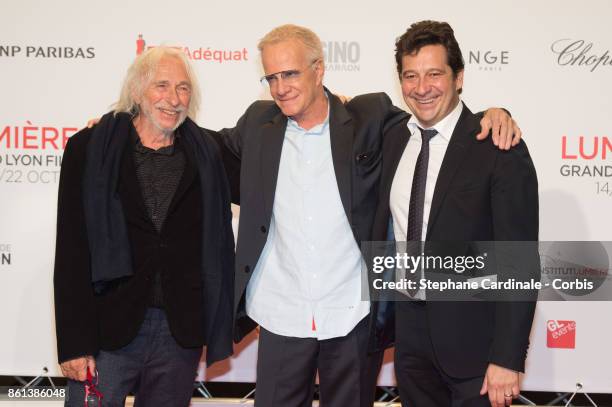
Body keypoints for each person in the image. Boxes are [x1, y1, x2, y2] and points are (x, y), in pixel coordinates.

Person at [215, 24, 522, 407]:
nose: (281, 87)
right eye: (272, 77)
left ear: (319, 70)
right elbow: (207, 153)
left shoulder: (370, 118)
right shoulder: (258, 124)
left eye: (291, 73)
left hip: (353, 314)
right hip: (282, 312)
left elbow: (443, 119)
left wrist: (497, 113)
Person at [53, 46, 234, 407]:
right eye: (162, 85)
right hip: (105, 331)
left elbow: (270, 149)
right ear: (137, 90)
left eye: (183, 88)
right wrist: (75, 343)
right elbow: (72, 251)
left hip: (177, 333)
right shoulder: (90, 149)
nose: (174, 98)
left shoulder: (207, 153)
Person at [371, 20, 539, 407]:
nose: (421, 87)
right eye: (410, 76)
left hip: (476, 348)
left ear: (458, 77)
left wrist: (507, 358)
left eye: (434, 73)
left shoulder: (497, 144)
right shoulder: (394, 138)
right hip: (409, 338)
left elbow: (520, 260)